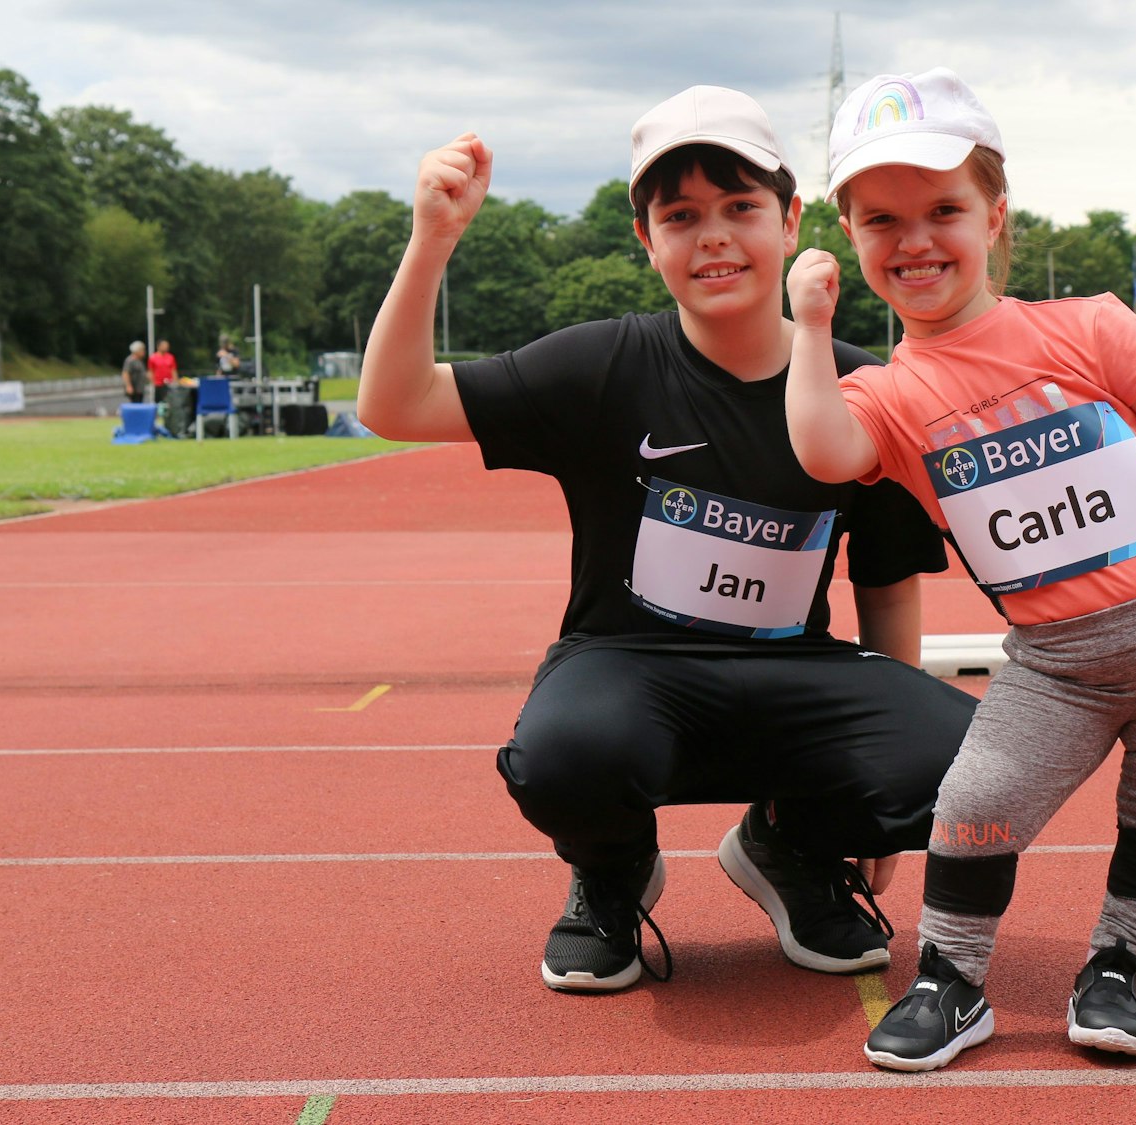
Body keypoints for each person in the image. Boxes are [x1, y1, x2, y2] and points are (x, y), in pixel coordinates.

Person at [358, 87, 976, 995]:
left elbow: (886, 586)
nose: (715, 236)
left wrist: (876, 813)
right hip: (626, 665)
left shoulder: (862, 389)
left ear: (792, 217)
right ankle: (611, 870)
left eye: (740, 208)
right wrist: (433, 240)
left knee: (974, 760)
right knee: (567, 756)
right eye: (681, 216)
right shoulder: (603, 365)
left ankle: (792, 845)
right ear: (646, 241)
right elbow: (394, 405)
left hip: (795, 677)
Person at [784, 68, 1136, 1072]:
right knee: (973, 807)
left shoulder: (1081, 325)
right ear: (849, 235)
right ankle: (948, 983)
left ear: (994, 217)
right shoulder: (887, 393)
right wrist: (810, 328)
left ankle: (1117, 974)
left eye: (942, 211)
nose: (913, 240)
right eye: (880, 221)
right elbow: (824, 453)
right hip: (1052, 664)